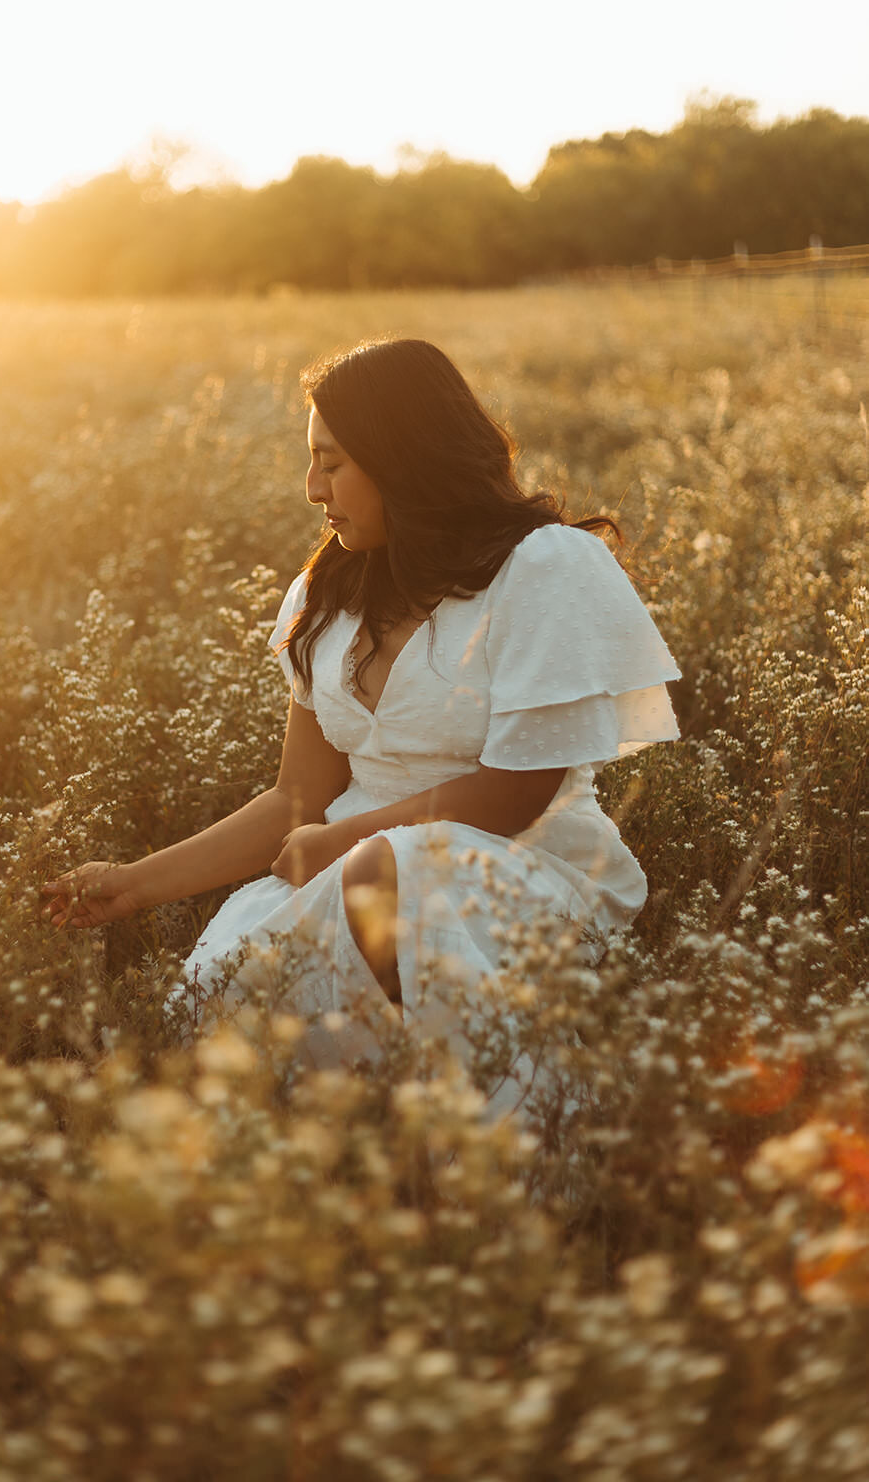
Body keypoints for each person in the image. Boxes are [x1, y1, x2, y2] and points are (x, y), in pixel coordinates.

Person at [42, 338, 680, 1110]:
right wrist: (131, 885)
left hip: (516, 867)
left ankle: (510, 1154)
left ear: (402, 455)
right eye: (312, 461)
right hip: (337, 867)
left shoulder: (542, 567)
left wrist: (345, 844)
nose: (312, 488)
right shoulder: (328, 593)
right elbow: (295, 802)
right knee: (202, 1018)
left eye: (333, 461)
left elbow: (517, 794)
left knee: (386, 879)